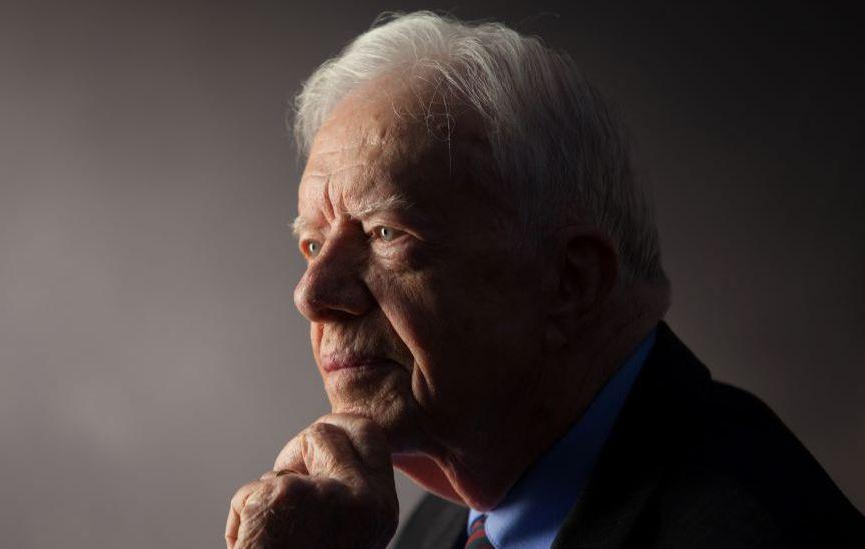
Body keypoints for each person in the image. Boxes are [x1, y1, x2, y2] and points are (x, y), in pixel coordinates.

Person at [225, 11, 864, 549]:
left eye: (386, 234)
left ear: (570, 282)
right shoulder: (450, 512)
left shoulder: (752, 527)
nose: (312, 294)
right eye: (312, 243)